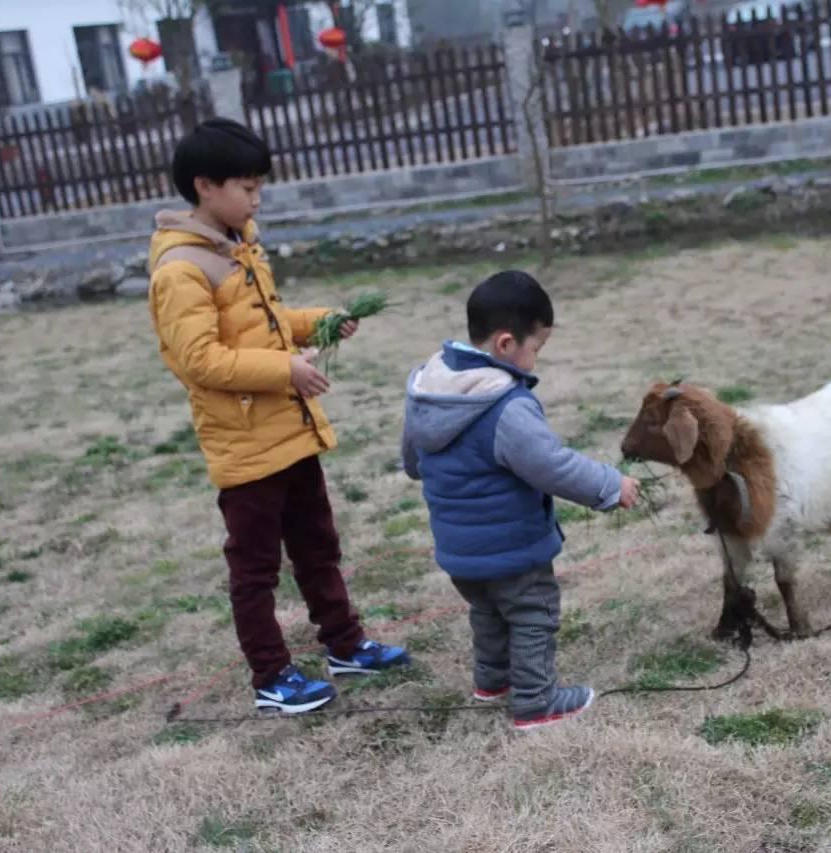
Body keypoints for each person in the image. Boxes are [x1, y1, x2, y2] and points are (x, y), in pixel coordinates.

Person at [147, 118, 409, 715]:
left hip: (289, 431)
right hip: (244, 443)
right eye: (246, 186)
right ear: (205, 186)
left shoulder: (238, 245)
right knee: (256, 568)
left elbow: (268, 319)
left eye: (260, 186)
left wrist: (320, 320)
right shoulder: (181, 270)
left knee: (319, 545)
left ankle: (345, 644)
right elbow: (200, 359)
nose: (256, 198)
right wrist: (286, 369)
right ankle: (272, 677)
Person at [401, 270, 640, 730]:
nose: (536, 362)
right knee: (532, 613)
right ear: (506, 344)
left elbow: (413, 458)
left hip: (458, 550)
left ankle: (492, 681)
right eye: (537, 349)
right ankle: (535, 700)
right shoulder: (505, 406)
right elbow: (552, 464)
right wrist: (611, 486)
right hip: (511, 547)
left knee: (487, 610)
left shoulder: (430, 387)